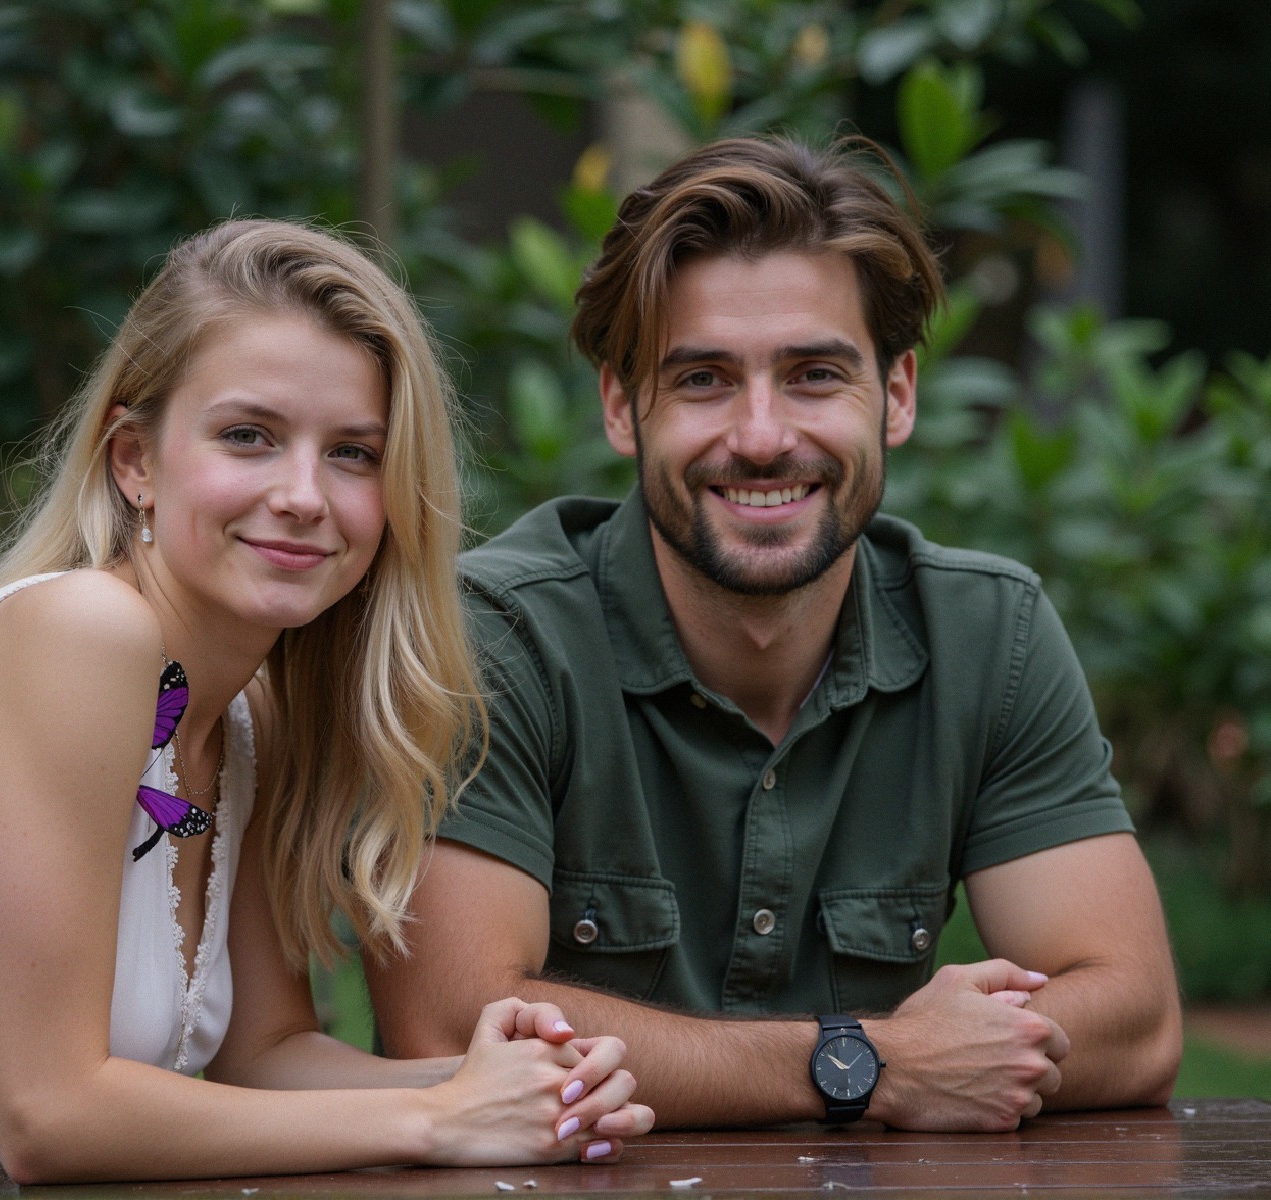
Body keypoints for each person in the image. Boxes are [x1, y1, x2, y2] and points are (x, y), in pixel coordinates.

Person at [0, 220, 652, 1193]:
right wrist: (441, 1119)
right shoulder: (80, 634)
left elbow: (260, 1056)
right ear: (134, 460)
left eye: (354, 453)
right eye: (248, 437)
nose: (305, 495)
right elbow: (49, 1119)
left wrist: (513, 1085)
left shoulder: (243, 718)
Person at [365, 137, 1183, 1133]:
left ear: (897, 395)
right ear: (624, 406)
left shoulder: (987, 632)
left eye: (812, 375)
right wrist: (866, 1063)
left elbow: (1135, 1020)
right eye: (704, 378)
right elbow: (446, 1028)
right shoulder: (495, 639)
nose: (759, 435)